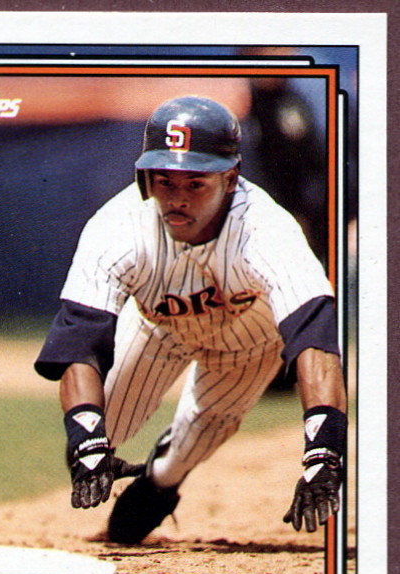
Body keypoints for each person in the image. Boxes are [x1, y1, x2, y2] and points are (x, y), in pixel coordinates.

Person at [34, 95, 347, 544]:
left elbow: (315, 337)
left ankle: (159, 480)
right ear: (145, 177)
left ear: (230, 178)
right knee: (91, 439)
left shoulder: (267, 230)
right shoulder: (117, 228)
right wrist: (86, 434)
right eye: (165, 180)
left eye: (196, 183)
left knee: (180, 457)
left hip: (246, 347)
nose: (177, 198)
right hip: (157, 329)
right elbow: (80, 340)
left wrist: (324, 449)